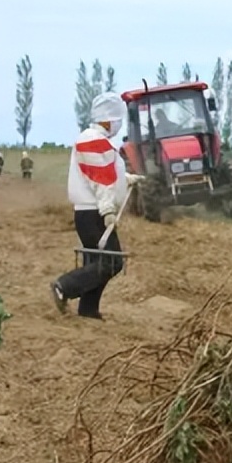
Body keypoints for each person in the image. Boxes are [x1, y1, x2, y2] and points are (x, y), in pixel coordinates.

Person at [50, 92, 145, 320]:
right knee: (112, 261)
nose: (118, 124)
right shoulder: (93, 140)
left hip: (91, 211)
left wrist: (125, 179)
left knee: (95, 260)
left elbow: (105, 173)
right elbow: (99, 179)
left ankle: (88, 309)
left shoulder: (95, 140)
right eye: (117, 119)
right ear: (108, 118)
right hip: (93, 213)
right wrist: (108, 210)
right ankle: (64, 286)